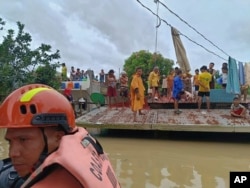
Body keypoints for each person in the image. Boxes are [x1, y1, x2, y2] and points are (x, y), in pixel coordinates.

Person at [0, 84, 120, 188]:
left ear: (58, 137)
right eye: (10, 142)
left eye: (23, 140)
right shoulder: (84, 147)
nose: (12, 153)